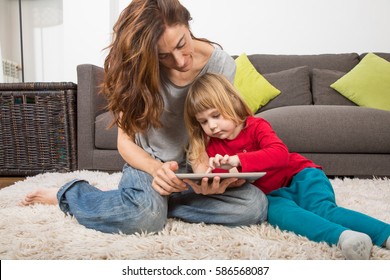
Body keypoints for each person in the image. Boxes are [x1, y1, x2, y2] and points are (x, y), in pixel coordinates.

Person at [21, 0, 267, 234]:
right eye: (163, 56)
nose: (179, 61)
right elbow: (125, 142)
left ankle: (138, 202)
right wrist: (156, 170)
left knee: (253, 206)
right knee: (144, 220)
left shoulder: (222, 65)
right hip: (148, 166)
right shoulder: (135, 72)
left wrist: (218, 175)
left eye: (182, 43)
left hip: (195, 169)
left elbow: (221, 134)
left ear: (187, 23)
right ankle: (70, 193)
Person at [183, 72, 390, 260]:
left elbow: (279, 154)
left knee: (322, 209)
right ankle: (345, 238)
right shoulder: (212, 146)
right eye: (203, 121)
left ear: (231, 102)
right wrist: (223, 172)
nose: (211, 126)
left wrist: (238, 160)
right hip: (272, 195)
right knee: (283, 216)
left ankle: (386, 234)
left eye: (215, 115)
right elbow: (226, 179)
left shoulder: (256, 126)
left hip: (301, 176)